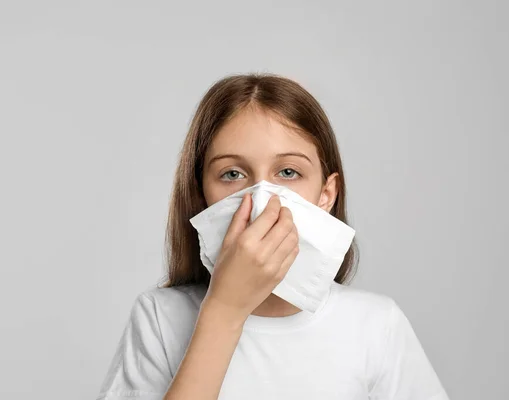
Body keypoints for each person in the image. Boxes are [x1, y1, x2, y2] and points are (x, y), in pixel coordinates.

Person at [96, 74, 449, 400]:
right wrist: (224, 309)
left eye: (288, 172)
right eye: (232, 173)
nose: (263, 198)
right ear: (201, 195)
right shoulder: (160, 317)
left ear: (326, 194)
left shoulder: (375, 325)